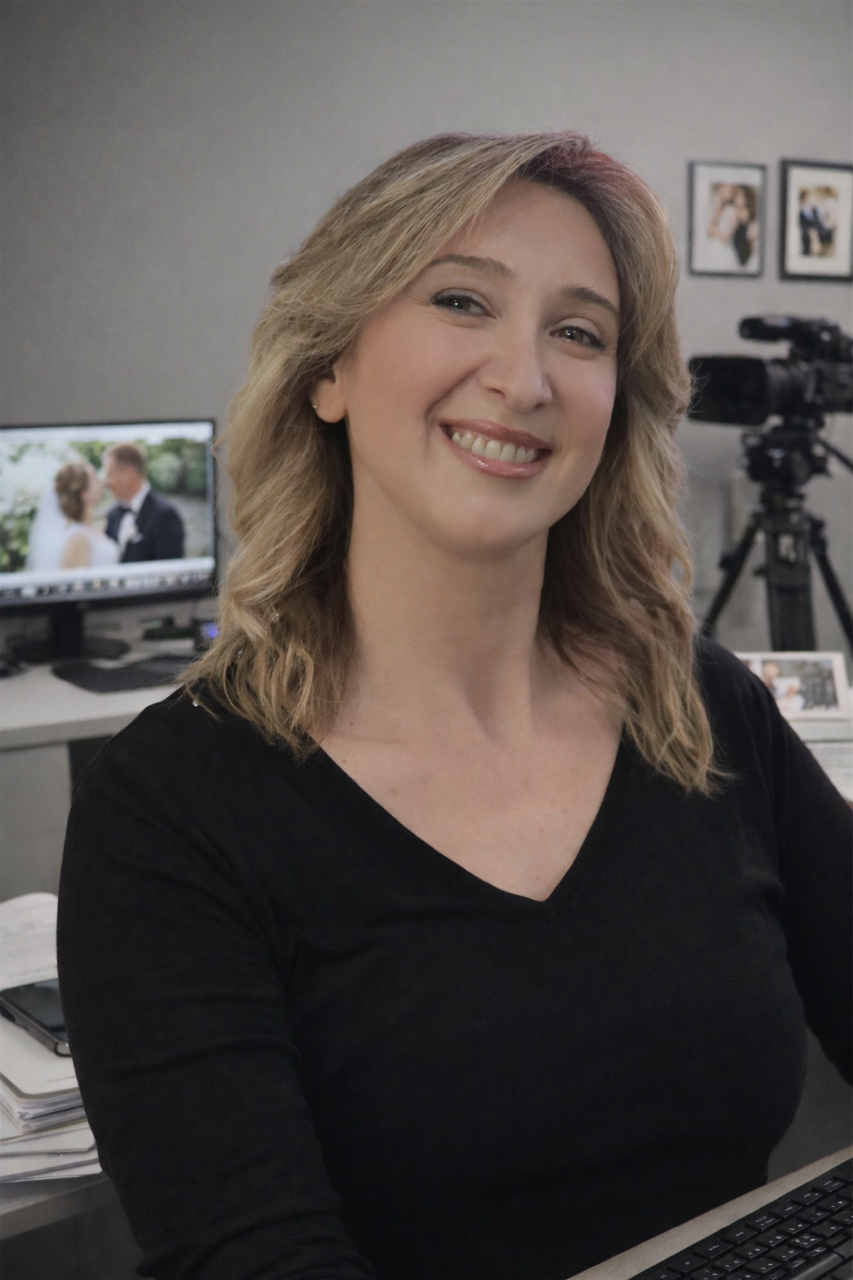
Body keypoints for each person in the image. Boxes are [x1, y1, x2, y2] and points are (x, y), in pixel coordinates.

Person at [57, 133, 851, 1280]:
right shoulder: (171, 808)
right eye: (462, 300)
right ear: (327, 368)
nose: (522, 378)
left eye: (577, 332)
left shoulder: (703, 707)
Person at [27, 461, 121, 571]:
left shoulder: (90, 529)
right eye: (95, 478)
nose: (102, 481)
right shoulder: (78, 539)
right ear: (84, 494)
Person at [103, 442, 185, 561]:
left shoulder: (165, 515)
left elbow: (170, 573)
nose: (106, 482)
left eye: (110, 475)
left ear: (128, 474)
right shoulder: (113, 514)